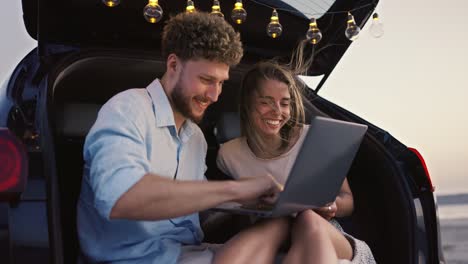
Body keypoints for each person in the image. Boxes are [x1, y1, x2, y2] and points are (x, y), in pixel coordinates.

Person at [77, 12, 286, 264]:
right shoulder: (127, 109)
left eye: (221, 83)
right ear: (173, 65)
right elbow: (123, 197)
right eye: (206, 80)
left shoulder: (195, 137)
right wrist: (235, 189)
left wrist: (256, 202)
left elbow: (195, 200)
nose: (214, 95)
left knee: (289, 232)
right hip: (135, 260)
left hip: (187, 254)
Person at [215, 61, 376, 263]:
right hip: (273, 232)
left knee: (307, 217)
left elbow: (347, 200)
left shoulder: (314, 137)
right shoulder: (228, 154)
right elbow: (234, 207)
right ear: (248, 103)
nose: (277, 111)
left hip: (324, 230)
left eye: (284, 103)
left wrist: (331, 206)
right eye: (266, 102)